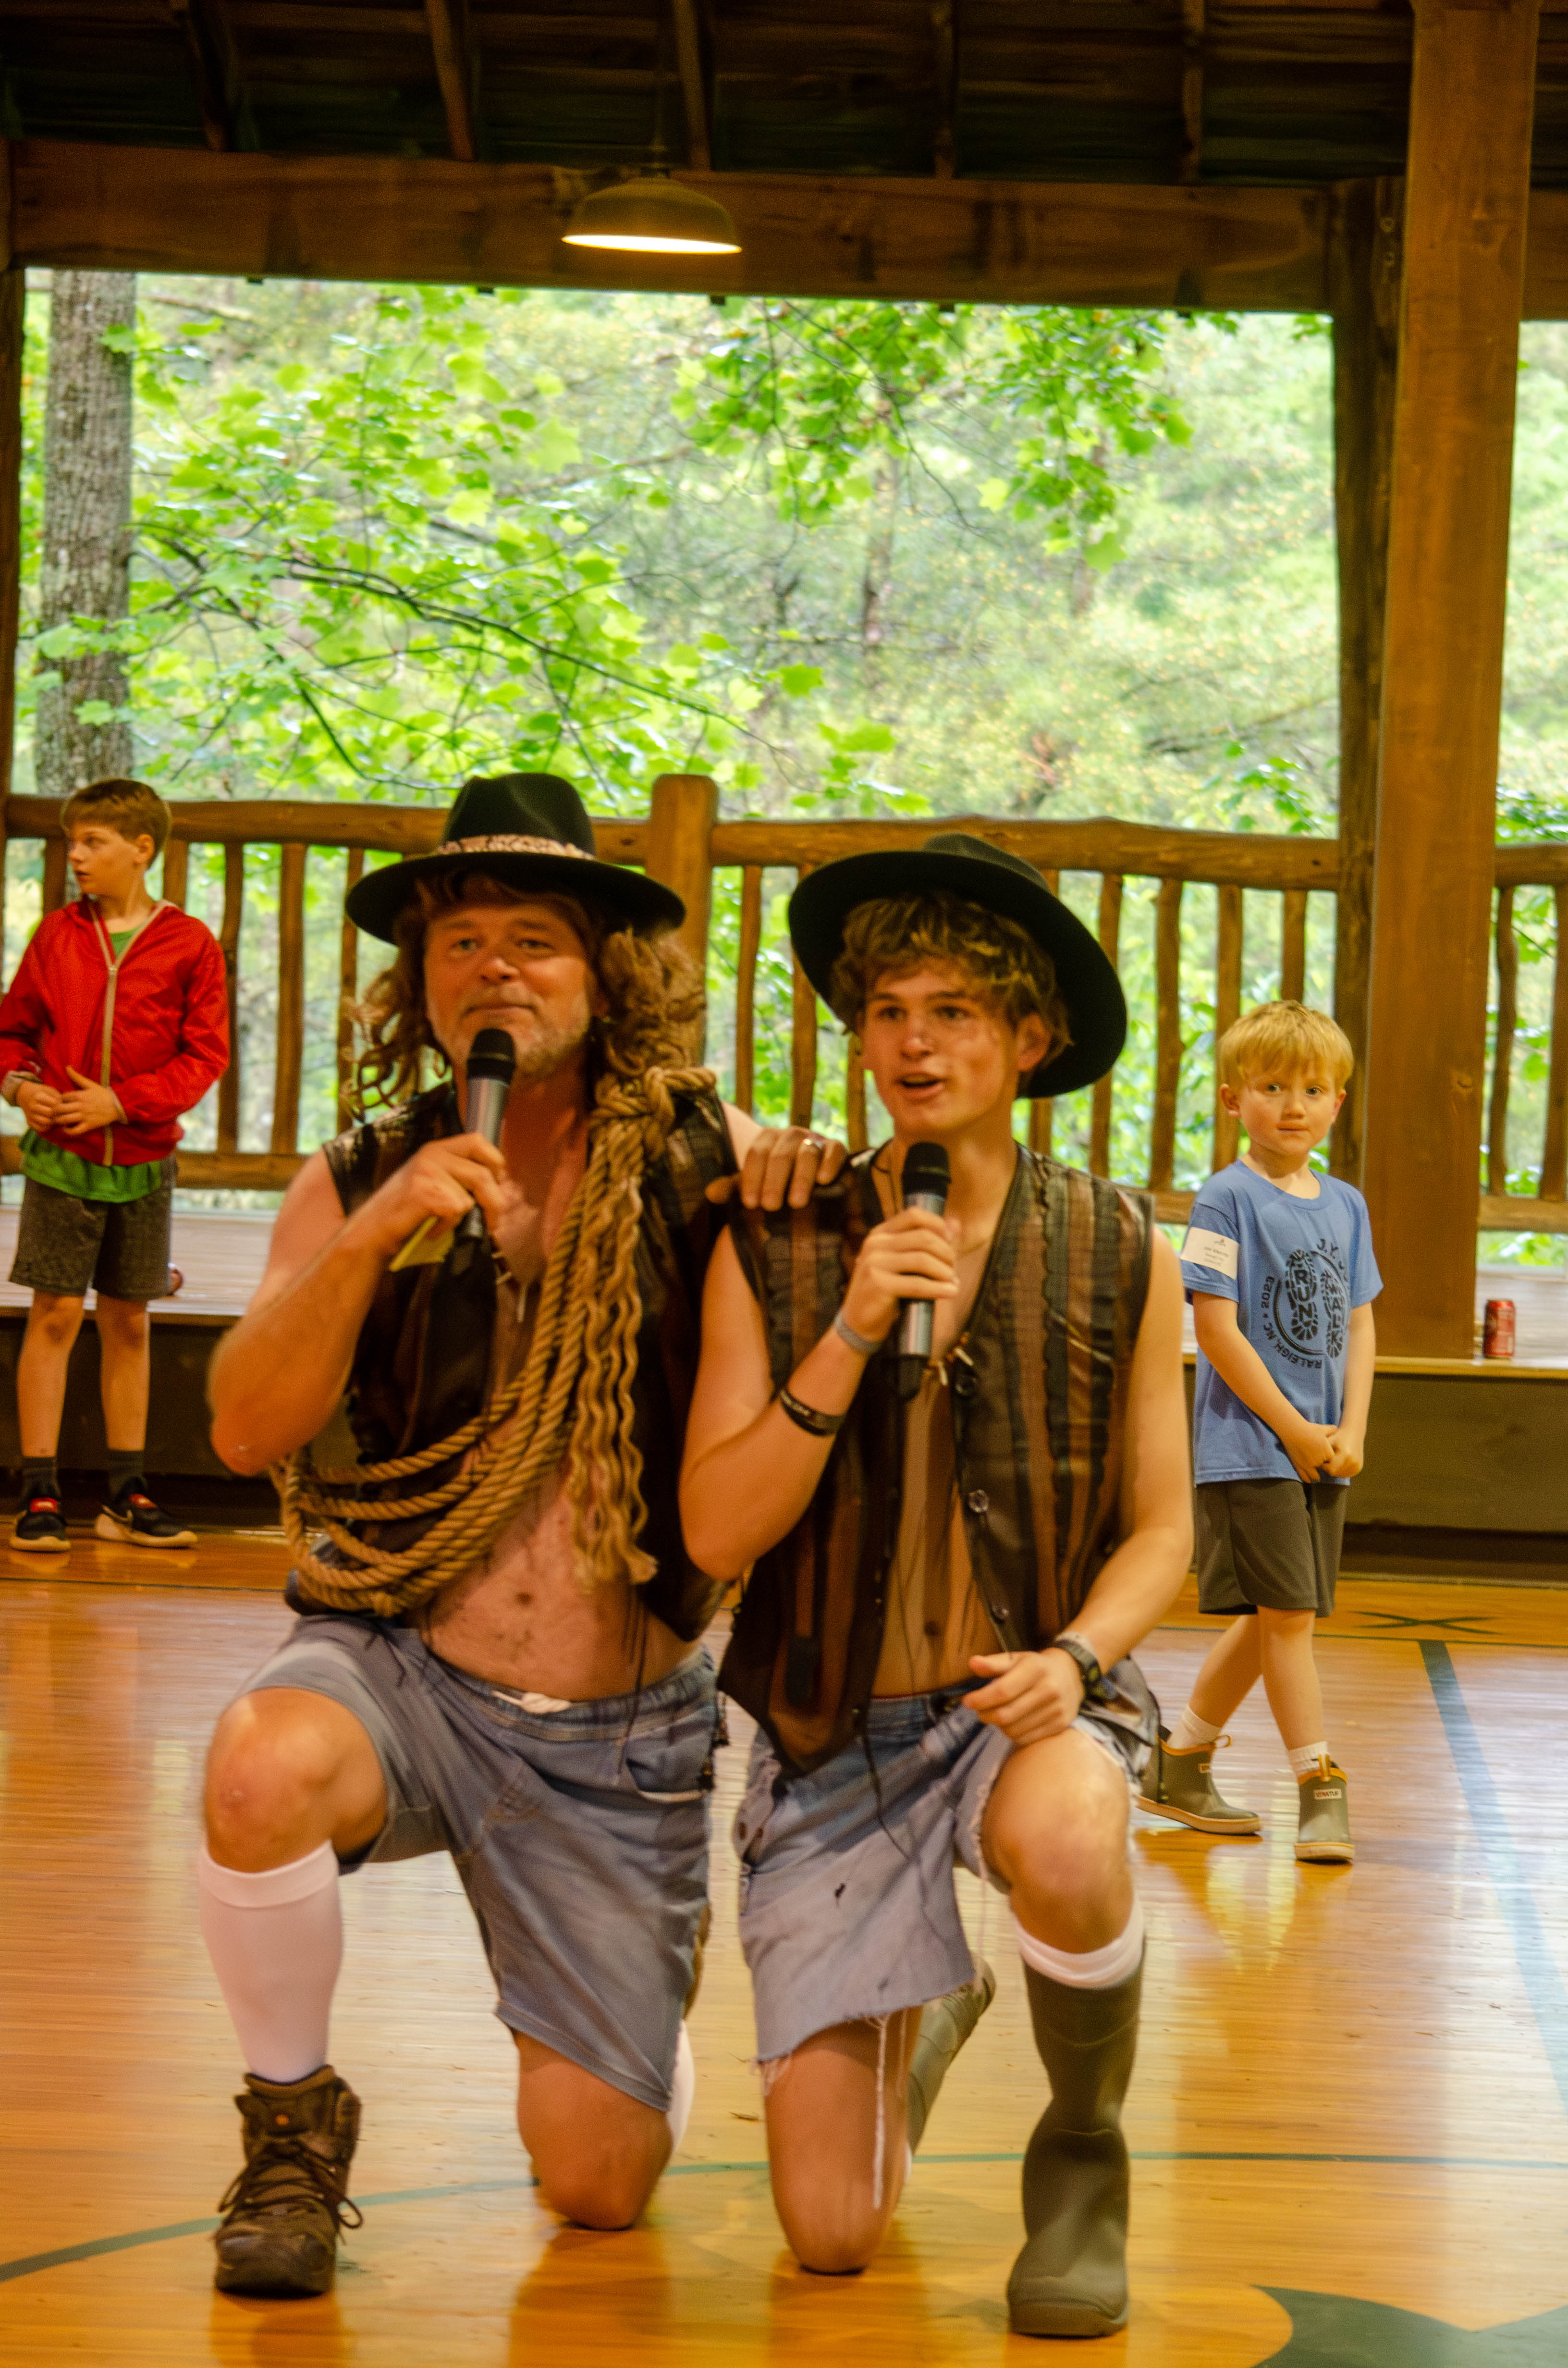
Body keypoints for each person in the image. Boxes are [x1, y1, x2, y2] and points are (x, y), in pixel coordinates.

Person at [198, 771, 842, 2301]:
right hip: (403, 1667)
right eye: (462, 942)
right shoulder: (362, 1173)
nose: (496, 968)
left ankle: (625, 2035)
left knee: (598, 2188)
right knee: (258, 1763)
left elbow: (822, 1219)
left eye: (534, 940)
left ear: (604, 973)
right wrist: (376, 1233)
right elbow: (241, 1430)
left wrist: (809, 1172)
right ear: (422, 986)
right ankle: (290, 2125)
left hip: (617, 1729)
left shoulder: (708, 1157)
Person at [680, 834, 1192, 2340]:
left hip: (1022, 1704)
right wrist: (848, 1328)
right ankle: (934, 1991)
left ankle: (1083, 2156)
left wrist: (1078, 1660)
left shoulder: (1119, 1243)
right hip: (832, 1734)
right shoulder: (776, 1240)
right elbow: (714, 1533)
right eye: (888, 1012)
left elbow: (1167, 1532)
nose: (914, 1043)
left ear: (1029, 1041)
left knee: (1071, 1830)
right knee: (833, 2236)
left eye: (955, 1012)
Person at [1139, 1000, 1379, 1862]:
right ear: (1235, 1099)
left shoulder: (1346, 1205)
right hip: (1251, 1448)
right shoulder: (1225, 1198)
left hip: (1323, 1450)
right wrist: (1294, 1430)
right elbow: (1215, 1331)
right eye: (1273, 1087)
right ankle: (1319, 1782)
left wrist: (1349, 1428)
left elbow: (1361, 1324)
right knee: (1290, 1617)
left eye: (1312, 1090)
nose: (1293, 1106)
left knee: (1279, 1614)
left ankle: (1180, 1763)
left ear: (1337, 1102)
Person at [0, 776, 228, 1553]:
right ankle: (39, 1492)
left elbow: (204, 1056)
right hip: (60, 1164)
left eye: (93, 842)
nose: (76, 856)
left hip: (143, 1162)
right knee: (55, 1316)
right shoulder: (56, 936)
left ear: (141, 849)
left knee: (129, 1321)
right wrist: (20, 1087)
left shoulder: (190, 943)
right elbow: (13, 1032)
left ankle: (127, 1494)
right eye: (72, 842)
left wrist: (122, 1104)